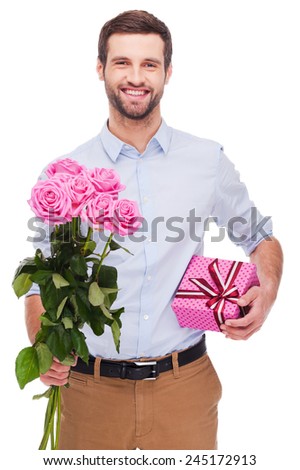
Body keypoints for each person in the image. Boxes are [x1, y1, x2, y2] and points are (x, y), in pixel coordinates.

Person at [25, 10, 283, 450]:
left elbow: (260, 238)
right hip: (89, 392)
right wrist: (41, 345)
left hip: (185, 388)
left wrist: (269, 288)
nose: (136, 77)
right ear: (101, 69)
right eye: (122, 62)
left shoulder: (206, 161)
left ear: (167, 72)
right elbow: (37, 282)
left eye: (149, 64)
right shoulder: (66, 173)